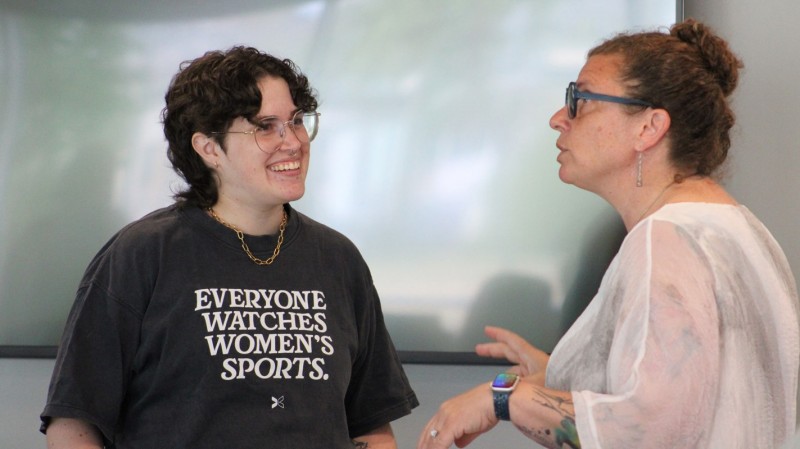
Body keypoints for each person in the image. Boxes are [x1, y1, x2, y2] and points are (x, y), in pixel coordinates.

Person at [417, 18, 799, 449]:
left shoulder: (666, 238)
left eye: (580, 99)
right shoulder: (740, 228)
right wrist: (567, 372)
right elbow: (701, 403)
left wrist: (503, 398)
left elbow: (652, 432)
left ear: (649, 128)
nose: (559, 118)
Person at [40, 46, 418, 449]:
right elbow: (73, 424)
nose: (292, 141)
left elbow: (371, 427)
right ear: (209, 148)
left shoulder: (339, 260)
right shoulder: (141, 254)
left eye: (296, 121)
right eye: (265, 126)